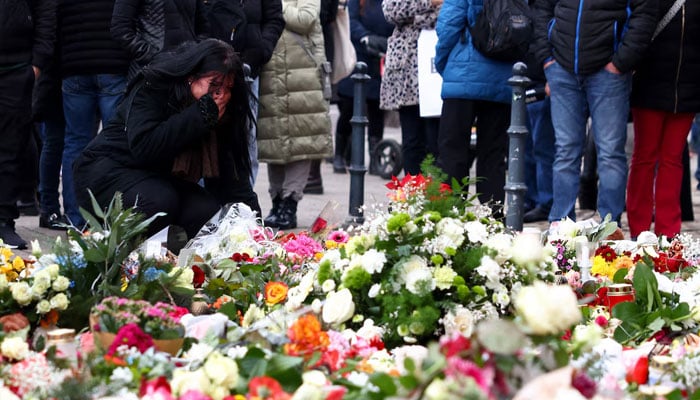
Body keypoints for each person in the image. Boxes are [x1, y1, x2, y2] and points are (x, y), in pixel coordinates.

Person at [73, 39, 261, 239]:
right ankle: (117, 252)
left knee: (207, 212)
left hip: (157, 179)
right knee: (160, 201)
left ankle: (175, 262)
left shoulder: (220, 110)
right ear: (191, 78)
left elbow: (232, 179)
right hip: (109, 170)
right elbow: (146, 147)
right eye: (214, 85)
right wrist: (200, 115)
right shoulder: (155, 86)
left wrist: (256, 231)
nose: (221, 94)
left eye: (228, 88)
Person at [532, 0, 657, 225]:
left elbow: (645, 13)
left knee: (610, 153)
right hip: (562, 68)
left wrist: (622, 61)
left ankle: (609, 227)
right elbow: (542, 8)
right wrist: (546, 58)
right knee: (565, 151)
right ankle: (560, 226)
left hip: (609, 72)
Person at [626, 0, 700, 239]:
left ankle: (669, 232)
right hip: (650, 85)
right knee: (644, 157)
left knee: (673, 160)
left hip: (689, 88)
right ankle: (639, 229)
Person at [257, 0, 333, 230]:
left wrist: (274, 6)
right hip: (271, 73)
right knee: (274, 141)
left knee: (302, 140)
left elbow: (306, 18)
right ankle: (277, 202)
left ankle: (290, 203)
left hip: (303, 75)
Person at [434, 0, 514, 215]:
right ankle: (493, 218)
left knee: (452, 151)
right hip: (502, 77)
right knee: (494, 154)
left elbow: (448, 26)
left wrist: (445, 64)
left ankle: (450, 217)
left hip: (463, 76)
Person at [58, 0, 131, 228]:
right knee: (114, 144)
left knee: (75, 143)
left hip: (74, 67)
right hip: (112, 66)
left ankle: (76, 219)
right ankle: (110, 220)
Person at [0, 0, 55, 249]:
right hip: (19, 66)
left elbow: (46, 13)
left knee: (11, 149)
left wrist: (36, 64)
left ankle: (3, 221)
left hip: (16, 68)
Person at [380, 0, 441, 175]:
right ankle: (412, 197)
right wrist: (430, 3)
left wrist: (413, 16)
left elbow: (453, 9)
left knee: (437, 143)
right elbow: (390, 9)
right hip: (407, 72)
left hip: (438, 68)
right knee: (412, 141)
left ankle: (437, 199)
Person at [332, 0, 393, 175]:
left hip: (381, 57)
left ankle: (375, 158)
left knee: (376, 111)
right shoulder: (357, 2)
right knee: (349, 109)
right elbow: (350, 20)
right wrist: (365, 36)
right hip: (358, 57)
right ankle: (340, 155)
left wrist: (386, 41)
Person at [111, 0, 209, 80]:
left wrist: (196, 54)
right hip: (150, 72)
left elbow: (203, 27)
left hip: (187, 70)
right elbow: (120, 29)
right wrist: (151, 56)